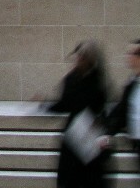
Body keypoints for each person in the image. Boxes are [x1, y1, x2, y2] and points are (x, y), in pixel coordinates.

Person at [46, 40, 110, 188]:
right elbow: (64, 104)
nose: (78, 60)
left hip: (90, 137)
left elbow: (100, 108)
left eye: (82, 57)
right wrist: (44, 106)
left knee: (91, 178)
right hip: (74, 137)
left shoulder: (97, 81)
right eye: (78, 56)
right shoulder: (71, 79)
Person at [106, 39, 140, 177]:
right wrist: (107, 131)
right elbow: (122, 111)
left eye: (132, 53)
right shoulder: (132, 83)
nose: (128, 57)